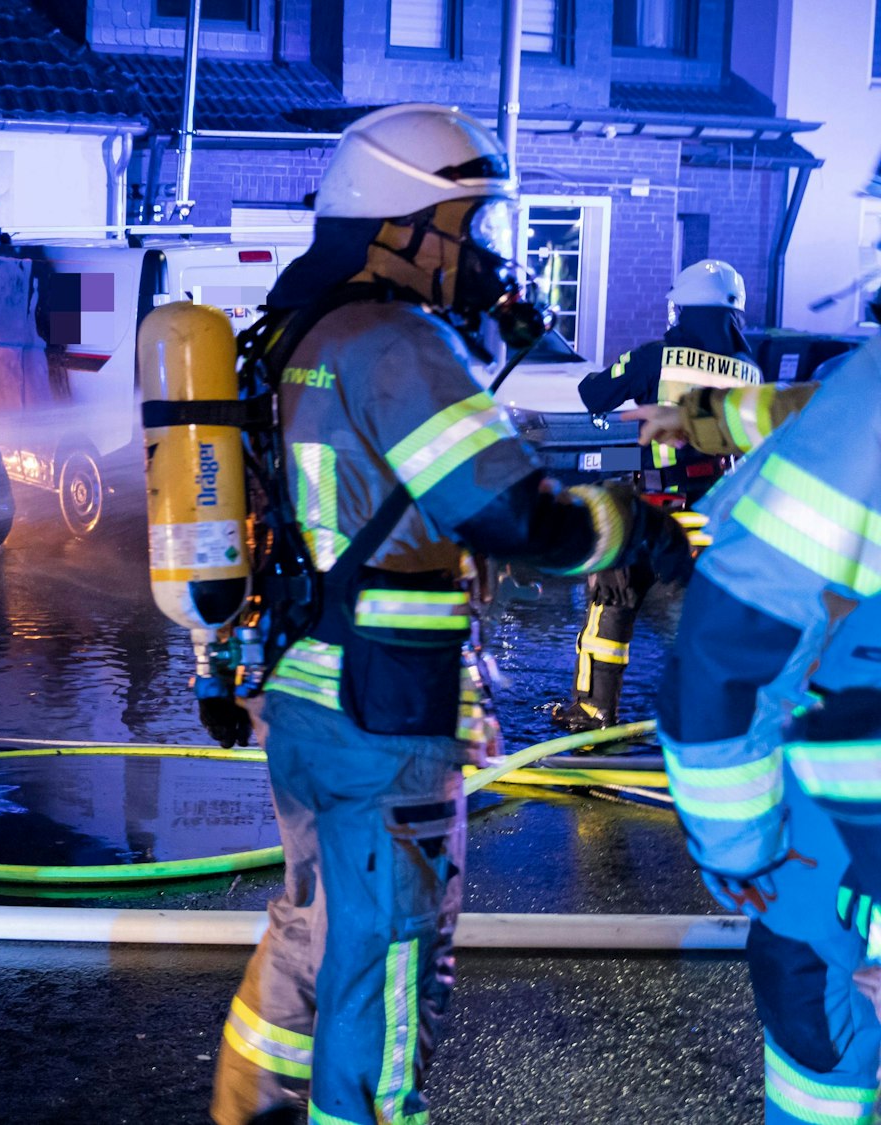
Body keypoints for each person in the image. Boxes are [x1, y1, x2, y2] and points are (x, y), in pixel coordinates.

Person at [210, 104, 693, 1125]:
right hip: (383, 713)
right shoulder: (394, 338)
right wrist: (626, 527)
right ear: (398, 223)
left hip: (306, 695)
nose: (477, 251)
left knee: (319, 935)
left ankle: (245, 1106)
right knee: (388, 964)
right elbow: (509, 513)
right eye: (464, 224)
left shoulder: (299, 334)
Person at [655, 161, 881, 1125]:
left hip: (845, 867)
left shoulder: (861, 402)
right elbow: (807, 406)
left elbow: (727, 656)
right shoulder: (762, 357)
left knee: (823, 1059)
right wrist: (706, 415)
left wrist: (740, 850)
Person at [548, 260, 762, 733]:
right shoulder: (750, 370)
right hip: (719, 519)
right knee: (720, 624)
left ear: (681, 310)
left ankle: (593, 716)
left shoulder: (654, 358)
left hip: (655, 512)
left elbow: (593, 395)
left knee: (611, 606)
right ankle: (722, 721)